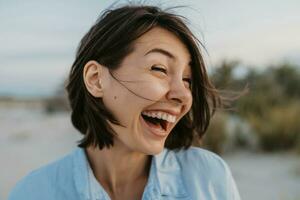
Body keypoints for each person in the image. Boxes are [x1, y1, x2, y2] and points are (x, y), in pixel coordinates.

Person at [9, 4, 241, 200]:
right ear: (96, 79)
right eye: (159, 69)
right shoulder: (33, 193)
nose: (183, 94)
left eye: (187, 80)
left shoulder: (208, 178)